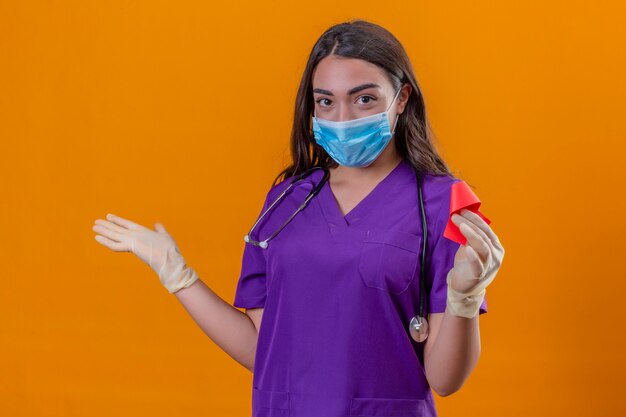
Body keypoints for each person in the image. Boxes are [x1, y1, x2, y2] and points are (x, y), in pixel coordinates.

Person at [92, 19, 504, 417]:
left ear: (401, 99)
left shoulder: (440, 204)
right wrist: (178, 276)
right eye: (326, 101)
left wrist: (464, 299)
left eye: (364, 98)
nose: (342, 119)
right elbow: (263, 350)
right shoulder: (287, 202)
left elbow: (445, 379)